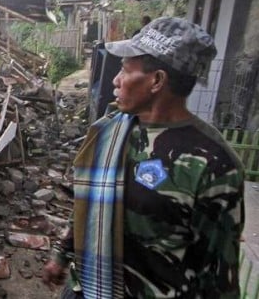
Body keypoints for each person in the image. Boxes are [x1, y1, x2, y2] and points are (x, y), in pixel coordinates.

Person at [42, 17, 245, 298]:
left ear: (157, 80)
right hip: (87, 285)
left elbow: (218, 271)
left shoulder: (213, 164)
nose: (116, 80)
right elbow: (85, 204)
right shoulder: (108, 131)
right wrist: (61, 254)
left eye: (125, 70)